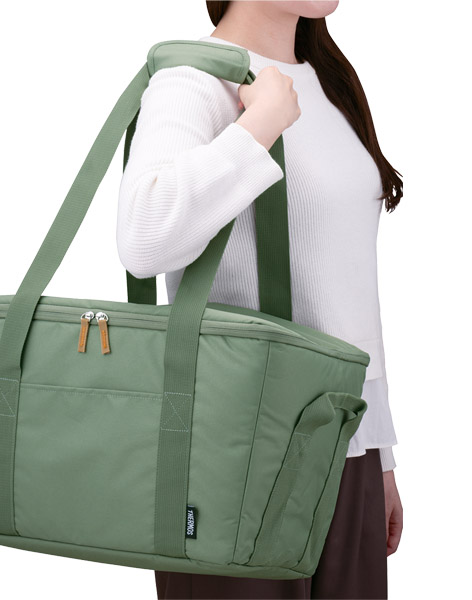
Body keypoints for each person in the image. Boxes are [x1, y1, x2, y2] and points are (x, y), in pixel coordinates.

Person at [116, 1, 404, 598]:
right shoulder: (192, 79)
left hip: (339, 443)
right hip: (233, 451)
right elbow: (143, 237)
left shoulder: (328, 79)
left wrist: (379, 455)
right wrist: (259, 127)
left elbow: (349, 291)